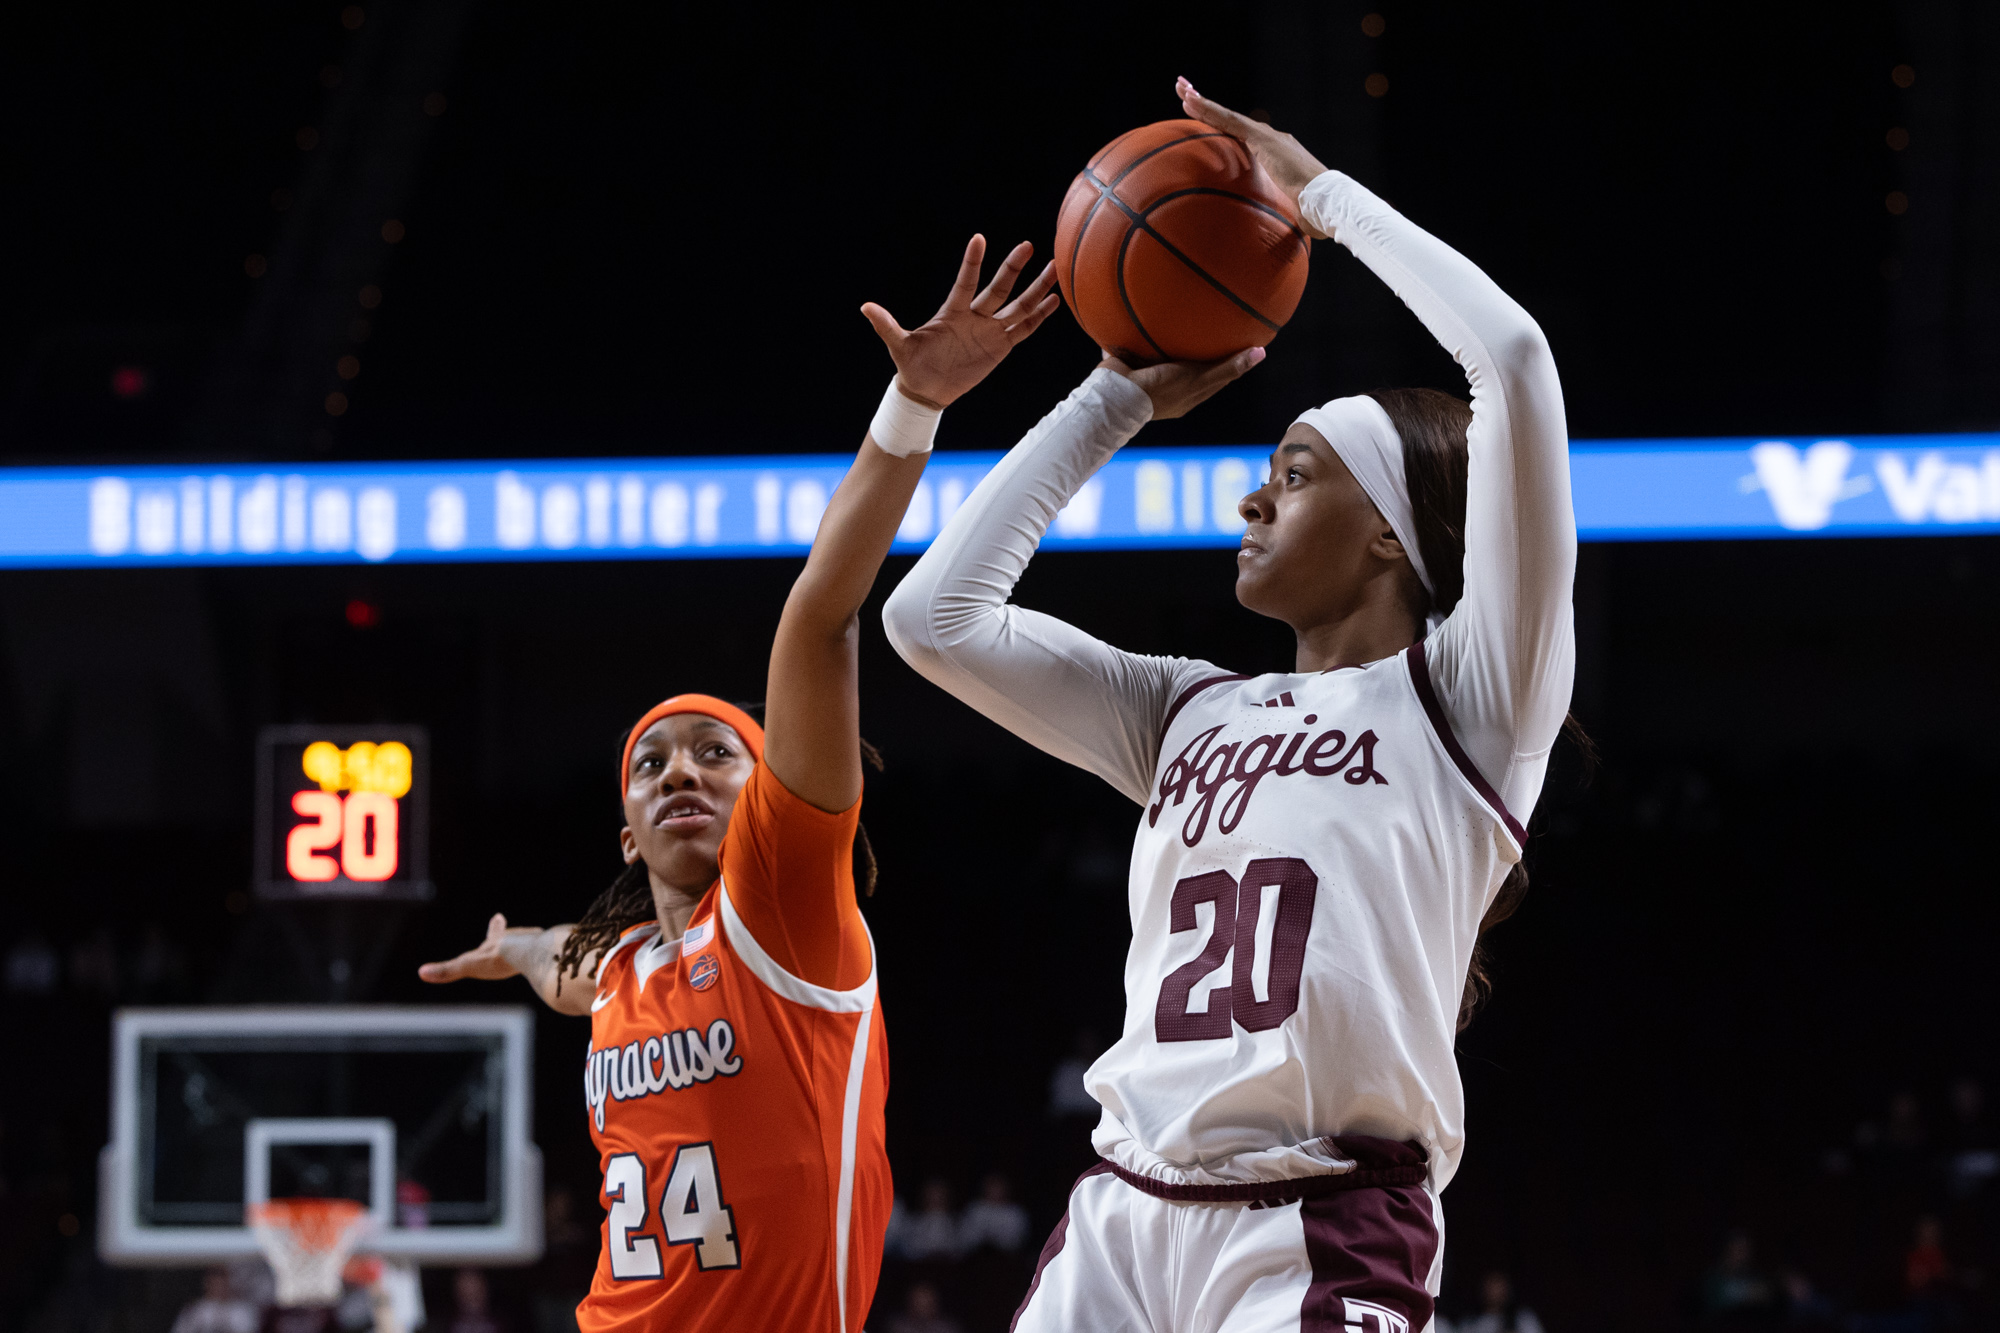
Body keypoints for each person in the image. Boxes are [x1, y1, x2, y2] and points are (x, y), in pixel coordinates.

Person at [882, 76, 1577, 1330]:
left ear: (1389, 537)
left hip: (1318, 1218)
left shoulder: (1468, 699)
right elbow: (933, 621)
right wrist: (1113, 398)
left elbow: (1511, 358)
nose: (1251, 501)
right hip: (1121, 1208)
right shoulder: (1190, 712)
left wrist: (1320, 199)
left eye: (1294, 475)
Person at [417, 234, 1058, 1332]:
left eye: (716, 752)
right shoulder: (618, 970)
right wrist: (514, 945)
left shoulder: (781, 907)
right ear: (624, 833)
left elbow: (818, 617)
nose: (679, 772)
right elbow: (564, 968)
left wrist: (911, 406)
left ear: (769, 795)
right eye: (649, 763)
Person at [172, 1268, 258, 1333]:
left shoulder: (242, 1310)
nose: (218, 1287)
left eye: (221, 1283)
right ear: (206, 1284)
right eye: (214, 1283)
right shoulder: (195, 1309)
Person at [1459, 1272, 1544, 1333]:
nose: (1495, 1292)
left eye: (1499, 1286)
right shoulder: (1470, 1324)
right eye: (1491, 1285)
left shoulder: (1523, 1319)